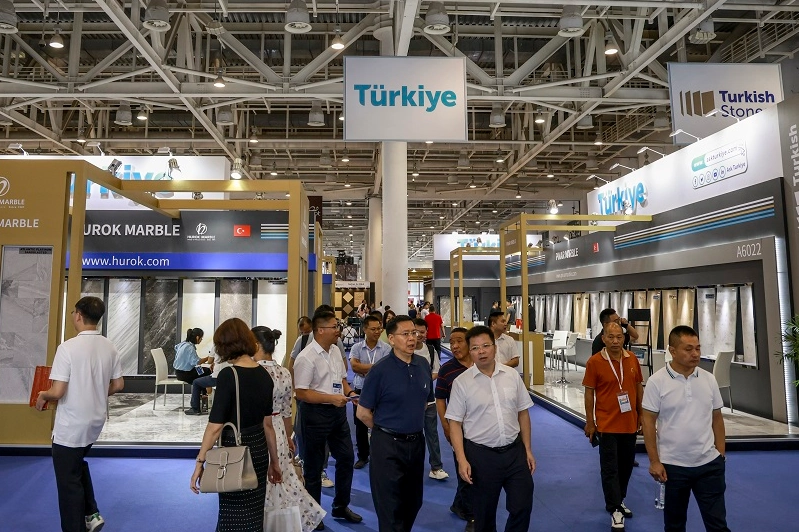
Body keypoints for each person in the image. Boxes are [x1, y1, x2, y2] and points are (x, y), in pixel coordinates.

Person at [35, 296, 125, 532]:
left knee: (68, 484)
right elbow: (118, 385)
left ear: (78, 316)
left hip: (71, 425)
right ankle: (91, 513)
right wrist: (95, 391)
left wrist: (43, 395)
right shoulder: (110, 346)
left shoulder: (67, 348)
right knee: (76, 465)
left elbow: (58, 391)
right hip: (95, 422)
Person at [190, 318, 282, 531]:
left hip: (234, 451)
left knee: (232, 516)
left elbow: (215, 426)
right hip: (259, 450)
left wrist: (200, 461)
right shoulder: (264, 375)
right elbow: (268, 425)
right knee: (253, 515)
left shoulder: (228, 375)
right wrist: (275, 461)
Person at [446, 325, 536, 532]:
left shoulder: (512, 375)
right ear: (470, 351)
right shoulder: (462, 383)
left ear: (495, 347)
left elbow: (523, 413)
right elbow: (455, 424)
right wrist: (461, 459)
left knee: (522, 505)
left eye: (486, 346)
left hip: (514, 453)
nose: (481, 351)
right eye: (475, 348)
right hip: (481, 456)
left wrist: (527, 449)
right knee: (484, 514)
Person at [642, 326, 730, 532]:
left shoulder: (709, 379)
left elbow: (717, 418)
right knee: (674, 525)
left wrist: (720, 454)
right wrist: (654, 461)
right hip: (673, 467)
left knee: (718, 525)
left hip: (709, 465)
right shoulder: (657, 382)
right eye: (689, 349)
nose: (695, 354)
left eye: (698, 348)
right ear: (672, 351)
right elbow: (648, 422)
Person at [356, 316, 434, 532]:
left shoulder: (423, 365)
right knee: (390, 508)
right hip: (387, 445)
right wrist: (384, 431)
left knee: (413, 502)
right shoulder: (380, 371)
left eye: (414, 333)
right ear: (391, 339)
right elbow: (363, 413)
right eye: (405, 334)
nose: (412, 338)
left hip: (416, 443)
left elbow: (425, 403)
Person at [252, 326, 325, 532]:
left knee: (260, 478)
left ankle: (263, 523)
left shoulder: (253, 372)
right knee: (283, 477)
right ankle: (291, 521)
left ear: (255, 345)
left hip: (258, 429)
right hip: (278, 429)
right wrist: (288, 436)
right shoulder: (283, 372)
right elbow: (286, 411)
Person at [294, 311, 362, 528]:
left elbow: (341, 379)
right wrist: (330, 398)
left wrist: (350, 393)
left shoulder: (334, 351)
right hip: (315, 415)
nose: (338, 330)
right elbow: (301, 392)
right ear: (320, 330)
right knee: (313, 468)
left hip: (338, 414)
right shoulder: (306, 357)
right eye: (334, 327)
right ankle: (313, 516)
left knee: (346, 458)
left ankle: (340, 506)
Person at [583, 322, 644, 531]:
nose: (615, 341)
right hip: (606, 424)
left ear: (624, 338)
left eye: (619, 337)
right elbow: (589, 393)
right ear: (603, 338)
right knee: (610, 468)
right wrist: (590, 421)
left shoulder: (632, 359)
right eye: (611, 337)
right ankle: (615, 508)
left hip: (629, 424)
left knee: (626, 467)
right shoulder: (594, 362)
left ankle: (620, 499)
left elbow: (638, 387)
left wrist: (641, 415)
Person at [435, 327, 475, 531]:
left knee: (477, 472)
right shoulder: (447, 369)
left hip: (483, 430)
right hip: (459, 430)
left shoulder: (481, 365)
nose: (455, 346)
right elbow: (440, 399)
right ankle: (472, 517)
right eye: (451, 343)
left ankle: (459, 505)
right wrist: (446, 426)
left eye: (459, 341)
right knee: (466, 472)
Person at [349, 315, 392, 469]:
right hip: (360, 389)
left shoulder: (386, 348)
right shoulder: (356, 348)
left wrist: (364, 368)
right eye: (373, 329)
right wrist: (375, 368)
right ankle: (363, 456)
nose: (377, 332)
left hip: (380, 391)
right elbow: (354, 367)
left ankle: (380, 455)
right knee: (360, 424)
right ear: (365, 329)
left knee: (380, 423)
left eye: (379, 329)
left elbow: (385, 370)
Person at [413, 318, 448, 481]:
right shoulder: (405, 350)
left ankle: (436, 467)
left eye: (422, 332)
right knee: (412, 435)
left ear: (427, 332)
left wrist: (424, 380)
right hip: (409, 402)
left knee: (432, 433)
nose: (419, 335)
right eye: (416, 332)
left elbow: (436, 371)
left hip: (429, 399)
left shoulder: (431, 350)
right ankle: (412, 466)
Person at [174, 328, 214, 415]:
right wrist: (209, 357)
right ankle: (202, 400)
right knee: (205, 374)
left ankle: (202, 398)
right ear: (197, 337)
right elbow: (197, 362)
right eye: (201, 338)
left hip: (179, 371)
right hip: (185, 373)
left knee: (205, 371)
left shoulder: (183, 344)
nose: (201, 340)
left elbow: (176, 348)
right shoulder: (190, 348)